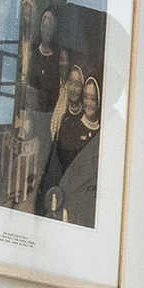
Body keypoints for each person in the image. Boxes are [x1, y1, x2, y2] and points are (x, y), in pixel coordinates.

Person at [38, 73, 101, 226]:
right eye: (86, 97)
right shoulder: (70, 127)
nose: (88, 103)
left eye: (93, 99)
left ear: (99, 101)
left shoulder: (102, 135)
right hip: (70, 204)